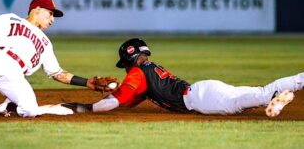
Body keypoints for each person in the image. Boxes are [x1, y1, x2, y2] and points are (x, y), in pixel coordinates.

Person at [0, 0, 111, 117]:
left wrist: (87, 82)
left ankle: (7, 107)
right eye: (50, 13)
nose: (52, 19)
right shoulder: (11, 19)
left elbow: (58, 74)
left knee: (31, 111)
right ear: (37, 9)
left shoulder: (45, 43)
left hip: (15, 75)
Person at [62, 38, 303, 118]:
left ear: (128, 61)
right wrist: (118, 93)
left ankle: (288, 90)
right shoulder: (147, 71)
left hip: (201, 99)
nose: (125, 70)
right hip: (204, 91)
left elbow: (117, 101)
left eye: (124, 65)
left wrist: (86, 108)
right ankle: (277, 98)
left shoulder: (137, 73)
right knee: (249, 99)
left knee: (254, 97)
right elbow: (128, 99)